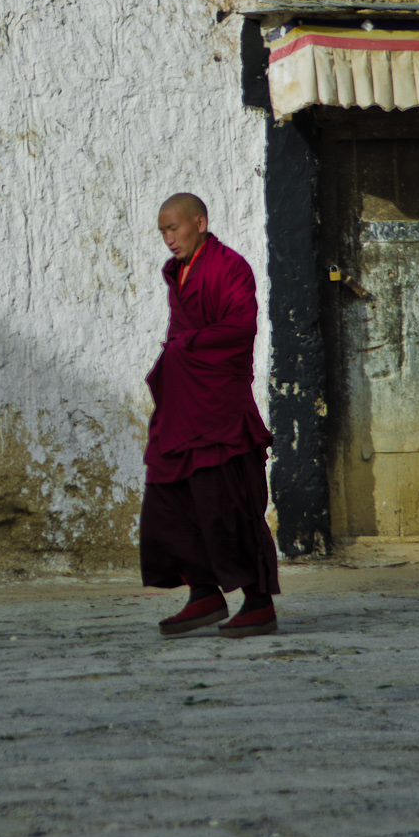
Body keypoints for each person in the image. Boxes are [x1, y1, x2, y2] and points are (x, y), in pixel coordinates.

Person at [140, 193, 280, 638]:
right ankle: (202, 592)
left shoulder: (229, 268)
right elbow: (179, 330)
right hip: (183, 406)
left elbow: (241, 327)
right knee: (170, 499)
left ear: (199, 222)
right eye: (162, 231)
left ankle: (257, 602)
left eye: (174, 228)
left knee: (226, 504)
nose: (168, 238)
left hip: (219, 409)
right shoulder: (178, 273)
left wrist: (184, 350)